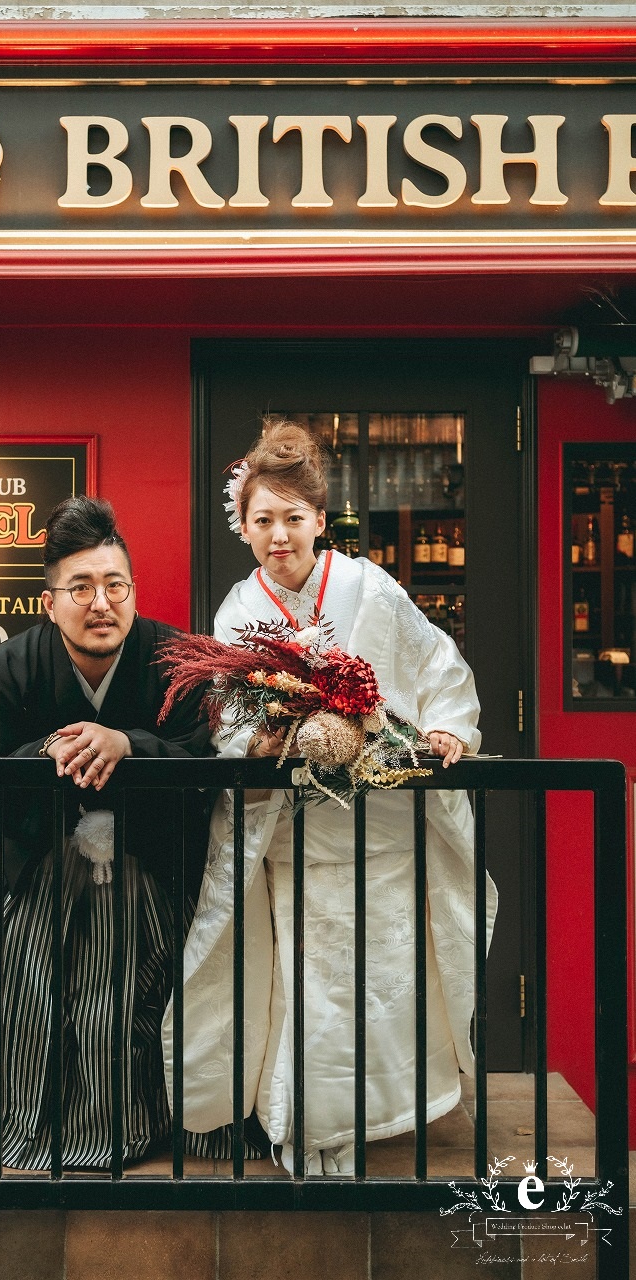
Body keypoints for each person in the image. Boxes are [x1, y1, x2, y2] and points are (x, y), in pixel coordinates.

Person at [163, 422, 497, 1175]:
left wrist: (446, 727)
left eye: (291, 517)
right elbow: (229, 717)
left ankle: (376, 1115)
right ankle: (306, 1125)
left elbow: (434, 662)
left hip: (377, 828)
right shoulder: (237, 610)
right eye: (261, 519)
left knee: (381, 973)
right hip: (294, 832)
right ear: (241, 526)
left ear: (320, 518)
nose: (277, 535)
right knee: (307, 981)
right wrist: (263, 736)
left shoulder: (366, 587)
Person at [0, 495, 220, 1172]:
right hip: (44, 869)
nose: (101, 603)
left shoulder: (172, 658)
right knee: (28, 993)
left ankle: (137, 1125)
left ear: (132, 590)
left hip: (146, 871)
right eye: (81, 588)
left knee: (119, 1007)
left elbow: (209, 760)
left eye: (115, 584)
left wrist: (129, 745)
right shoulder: (12, 664)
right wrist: (45, 759)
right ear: (49, 601)